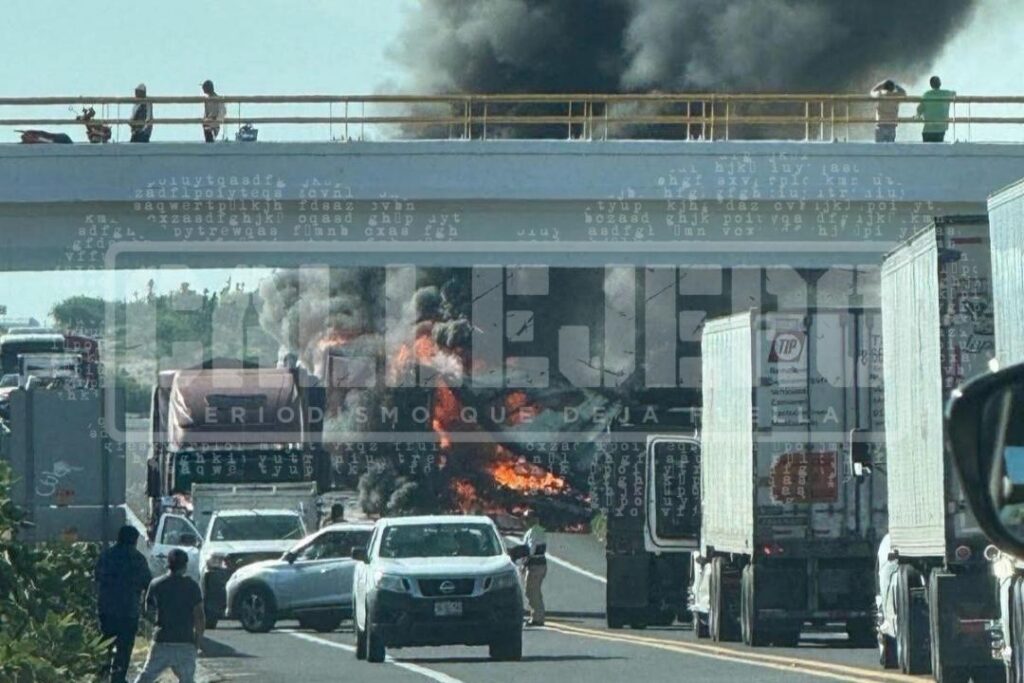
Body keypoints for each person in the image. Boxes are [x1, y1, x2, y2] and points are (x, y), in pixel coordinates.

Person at [134, 548, 204, 683]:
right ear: (185, 566)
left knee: (146, 677)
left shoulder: (156, 584)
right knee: (187, 679)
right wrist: (197, 640)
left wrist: (154, 628)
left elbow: (147, 612)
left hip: (162, 640)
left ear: (168, 564)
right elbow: (199, 616)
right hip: (185, 640)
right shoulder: (192, 586)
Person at [94, 525, 152, 683]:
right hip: (129, 610)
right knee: (124, 648)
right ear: (134, 540)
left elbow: (97, 577)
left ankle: (102, 675)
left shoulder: (107, 556)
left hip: (107, 609)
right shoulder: (138, 559)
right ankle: (118, 678)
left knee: (104, 644)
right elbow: (148, 584)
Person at [521, 510, 547, 626]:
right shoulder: (541, 531)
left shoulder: (532, 532)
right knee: (536, 590)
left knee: (531, 590)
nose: (525, 521)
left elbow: (530, 550)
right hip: (542, 564)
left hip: (534, 565)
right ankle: (538, 615)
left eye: (527, 519)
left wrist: (524, 563)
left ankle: (537, 618)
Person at [917, 76, 956, 142]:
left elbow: (919, 110)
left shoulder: (927, 94)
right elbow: (954, 93)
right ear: (940, 84)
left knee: (927, 150)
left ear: (931, 85)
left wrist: (918, 115)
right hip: (940, 128)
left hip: (928, 129)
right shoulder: (946, 93)